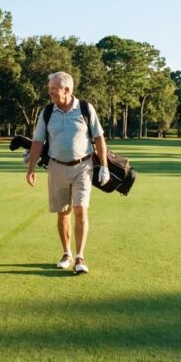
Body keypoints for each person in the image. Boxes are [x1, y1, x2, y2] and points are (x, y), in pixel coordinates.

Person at [25, 72, 108, 275]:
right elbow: (38, 141)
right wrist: (31, 168)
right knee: (63, 213)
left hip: (83, 166)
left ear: (67, 90)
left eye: (54, 89)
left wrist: (104, 166)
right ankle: (66, 253)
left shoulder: (85, 108)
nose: (50, 92)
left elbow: (98, 139)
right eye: (50, 89)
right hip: (56, 167)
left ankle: (80, 257)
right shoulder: (47, 112)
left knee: (80, 210)